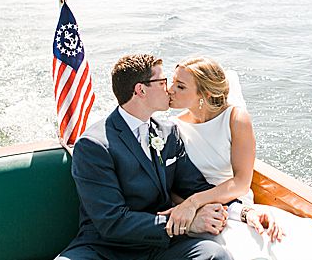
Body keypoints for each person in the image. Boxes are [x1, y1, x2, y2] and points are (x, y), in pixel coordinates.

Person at [162, 57, 312, 260]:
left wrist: (195, 202)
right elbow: (174, 184)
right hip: (204, 213)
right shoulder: (172, 128)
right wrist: (193, 207)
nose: (170, 89)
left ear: (205, 94)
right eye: (172, 81)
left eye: (180, 86)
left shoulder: (236, 119)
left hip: (235, 201)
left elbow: (241, 182)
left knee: (293, 242)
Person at [58, 54, 232, 260]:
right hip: (105, 249)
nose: (169, 89)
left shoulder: (169, 133)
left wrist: (244, 212)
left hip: (160, 247)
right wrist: (185, 224)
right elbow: (112, 222)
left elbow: (196, 187)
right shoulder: (93, 145)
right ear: (140, 90)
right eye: (162, 82)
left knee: (214, 255)